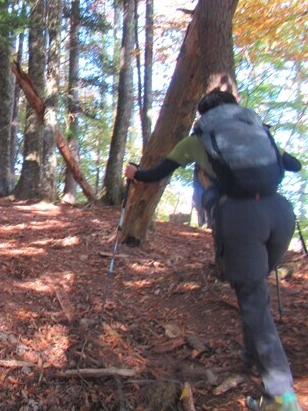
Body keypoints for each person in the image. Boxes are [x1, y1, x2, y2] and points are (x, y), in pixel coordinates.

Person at [124, 89, 303, 411]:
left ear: (202, 114)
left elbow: (158, 174)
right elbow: (294, 165)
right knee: (255, 293)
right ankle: (254, 357)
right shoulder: (256, 129)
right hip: (281, 213)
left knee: (253, 300)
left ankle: (281, 397)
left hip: (240, 217)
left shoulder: (200, 137)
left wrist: (136, 173)